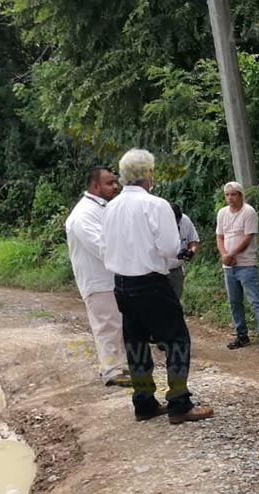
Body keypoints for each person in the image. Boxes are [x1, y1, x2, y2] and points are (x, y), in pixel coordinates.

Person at [101, 148, 214, 424]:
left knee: (136, 343)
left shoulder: (110, 207)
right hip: (151, 282)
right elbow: (169, 247)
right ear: (149, 175)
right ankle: (178, 403)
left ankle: (144, 403)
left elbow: (104, 248)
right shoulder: (156, 204)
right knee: (176, 340)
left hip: (122, 284)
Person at [64, 167, 130, 387]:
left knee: (117, 324)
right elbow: (102, 247)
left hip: (112, 278)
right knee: (107, 326)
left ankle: (119, 366)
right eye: (110, 183)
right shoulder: (83, 214)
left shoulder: (102, 208)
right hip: (99, 281)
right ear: (95, 187)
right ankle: (112, 370)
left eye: (115, 182)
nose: (115, 186)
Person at [216, 181, 259, 351]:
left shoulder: (248, 212)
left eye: (233, 194)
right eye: (227, 195)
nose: (230, 198)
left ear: (241, 195)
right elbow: (219, 236)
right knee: (234, 302)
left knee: (255, 301)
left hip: (246, 263)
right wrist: (224, 255)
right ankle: (241, 335)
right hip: (229, 265)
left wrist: (230, 254)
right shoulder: (222, 213)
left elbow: (248, 237)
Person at [167, 202, 201, 301]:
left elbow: (193, 240)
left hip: (176, 270)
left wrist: (191, 252)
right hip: (159, 271)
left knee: (175, 301)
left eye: (178, 220)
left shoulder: (184, 220)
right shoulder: (157, 223)